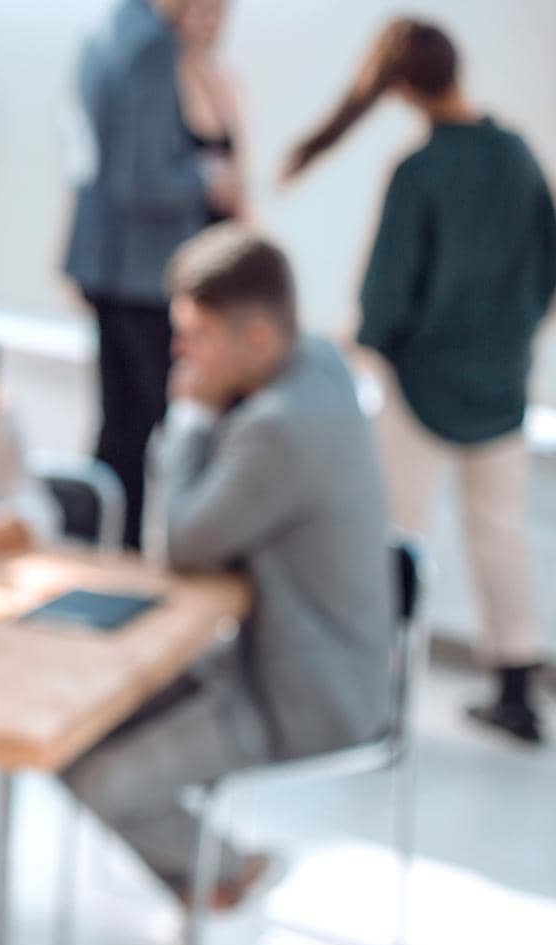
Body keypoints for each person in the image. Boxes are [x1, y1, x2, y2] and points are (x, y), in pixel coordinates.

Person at [63, 226, 391, 908]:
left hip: (301, 697)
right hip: (293, 657)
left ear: (259, 339)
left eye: (194, 335)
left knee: (96, 775)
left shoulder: (281, 426)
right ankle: (209, 881)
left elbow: (177, 547)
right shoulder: (320, 363)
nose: (178, 352)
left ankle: (231, 873)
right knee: (65, 723)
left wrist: (187, 417)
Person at [284, 18, 556, 745]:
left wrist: (370, 343)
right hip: (502, 379)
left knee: (397, 533)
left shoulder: (421, 172)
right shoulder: (518, 156)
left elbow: (386, 295)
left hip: (421, 385)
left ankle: (380, 690)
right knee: (500, 534)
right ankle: (517, 688)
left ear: (401, 87)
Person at [63, 0, 242, 547]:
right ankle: (130, 563)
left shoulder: (107, 31)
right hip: (141, 272)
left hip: (111, 266)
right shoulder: (151, 45)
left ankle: (105, 555)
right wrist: (206, 177)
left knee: (120, 429)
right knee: (149, 429)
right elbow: (140, 179)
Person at [175, 0, 245, 225]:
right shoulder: (163, 87)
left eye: (217, 11)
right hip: (182, 234)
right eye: (201, 11)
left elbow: (240, 177)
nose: (209, 22)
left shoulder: (228, 84)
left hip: (223, 235)